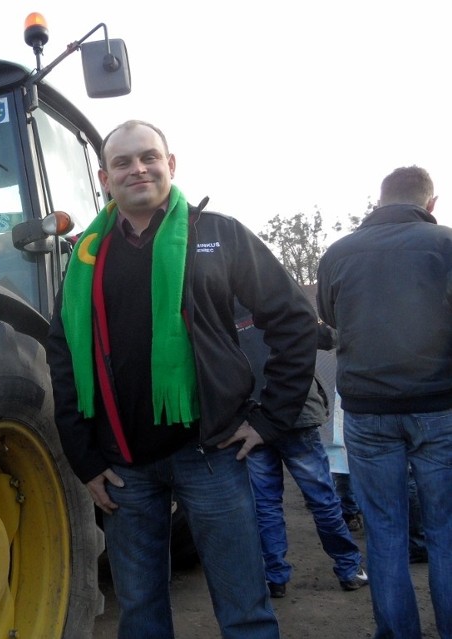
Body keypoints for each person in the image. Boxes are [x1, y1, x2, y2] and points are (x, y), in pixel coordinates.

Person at [46, 120, 318, 638]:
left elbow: (293, 319)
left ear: (171, 165)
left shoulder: (218, 234)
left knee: (245, 611)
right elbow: (62, 353)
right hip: (123, 467)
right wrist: (84, 458)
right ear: (104, 178)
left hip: (211, 454)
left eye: (149, 157)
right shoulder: (85, 255)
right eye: (122, 163)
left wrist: (271, 417)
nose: (137, 169)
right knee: (142, 615)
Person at [316, 165, 452, 639]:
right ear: (429, 204)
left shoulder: (338, 252)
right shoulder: (446, 245)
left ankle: (396, 634)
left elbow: (331, 320)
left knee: (386, 532)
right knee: (445, 531)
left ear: (379, 200)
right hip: (440, 406)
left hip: (368, 410)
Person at [236, 306, 367, 598]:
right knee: (322, 499)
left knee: (266, 504)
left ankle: (275, 577)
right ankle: (348, 569)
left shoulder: (218, 311)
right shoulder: (277, 301)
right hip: (296, 414)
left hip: (252, 419)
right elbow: (329, 338)